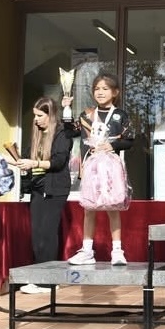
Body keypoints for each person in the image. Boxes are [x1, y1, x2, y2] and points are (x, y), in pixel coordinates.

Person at [63, 72, 134, 265]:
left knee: (113, 208)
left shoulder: (120, 115)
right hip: (90, 167)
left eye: (105, 88)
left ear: (115, 92)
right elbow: (70, 133)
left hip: (111, 169)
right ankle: (87, 251)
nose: (100, 92)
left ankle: (117, 251)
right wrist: (66, 110)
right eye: (96, 89)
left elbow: (129, 140)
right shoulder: (87, 115)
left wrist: (112, 145)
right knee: (89, 208)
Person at [8, 97, 72, 294]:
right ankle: (39, 278)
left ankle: (49, 282)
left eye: (40, 115)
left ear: (50, 115)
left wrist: (34, 163)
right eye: (35, 115)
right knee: (37, 235)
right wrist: (17, 162)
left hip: (54, 189)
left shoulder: (62, 133)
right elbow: (29, 159)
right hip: (37, 188)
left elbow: (58, 162)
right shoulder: (37, 135)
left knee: (47, 233)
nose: (35, 119)